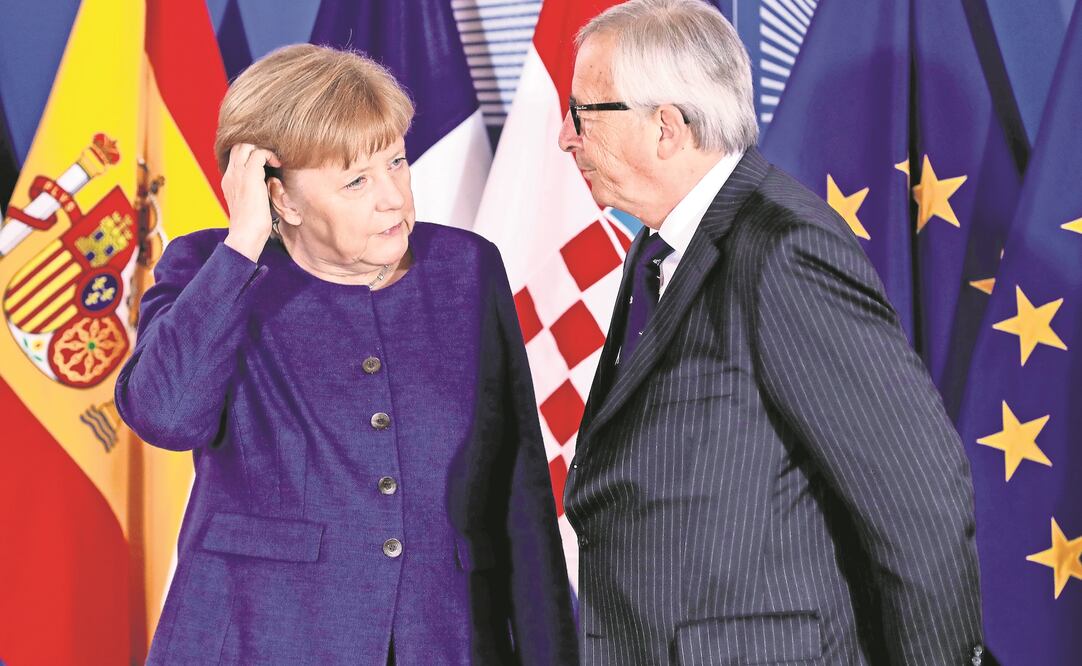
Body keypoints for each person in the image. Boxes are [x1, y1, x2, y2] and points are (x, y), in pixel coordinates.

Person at [116, 43, 577, 665]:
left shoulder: (466, 268)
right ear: (282, 198)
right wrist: (243, 243)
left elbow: (516, 484)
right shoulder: (211, 269)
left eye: (397, 162)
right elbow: (165, 417)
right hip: (260, 639)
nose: (393, 198)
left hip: (443, 639)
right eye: (357, 180)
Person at [557, 1, 986, 664]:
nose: (566, 137)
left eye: (582, 113)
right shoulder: (659, 248)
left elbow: (919, 501)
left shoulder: (784, 253)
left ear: (665, 127)